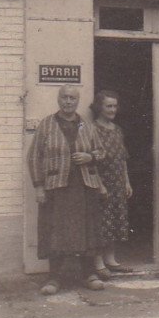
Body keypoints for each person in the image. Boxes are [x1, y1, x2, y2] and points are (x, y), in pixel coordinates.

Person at [27, 85, 107, 294]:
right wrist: (38, 187)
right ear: (58, 99)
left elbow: (101, 152)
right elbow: (34, 157)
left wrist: (90, 157)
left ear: (77, 101)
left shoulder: (87, 126)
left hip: (84, 187)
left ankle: (89, 274)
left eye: (72, 98)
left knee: (87, 231)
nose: (68, 101)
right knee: (55, 231)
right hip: (57, 188)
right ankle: (54, 279)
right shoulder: (47, 125)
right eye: (64, 97)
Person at [91, 90, 134, 280]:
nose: (112, 109)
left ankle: (111, 259)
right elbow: (92, 161)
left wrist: (126, 181)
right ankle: (98, 262)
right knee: (102, 221)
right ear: (99, 107)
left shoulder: (117, 129)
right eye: (108, 106)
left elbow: (122, 158)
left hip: (117, 181)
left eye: (115, 106)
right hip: (101, 182)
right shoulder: (92, 129)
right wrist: (100, 185)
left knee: (116, 219)